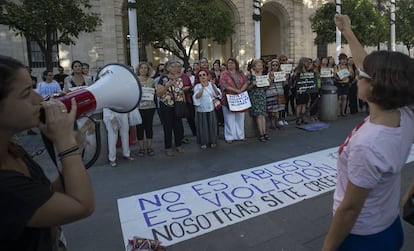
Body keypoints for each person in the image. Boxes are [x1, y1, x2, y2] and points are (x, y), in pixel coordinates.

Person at [322, 14, 414, 251]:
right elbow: (367, 65)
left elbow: (350, 209)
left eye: (362, 75)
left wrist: (328, 247)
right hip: (389, 224)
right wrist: (347, 31)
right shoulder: (405, 113)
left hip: (362, 237)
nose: (358, 74)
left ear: (374, 85)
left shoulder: (369, 144)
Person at [0, 55, 95, 250]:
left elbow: (45, 196)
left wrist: (72, 150)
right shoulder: (4, 186)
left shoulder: (13, 151)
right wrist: (66, 146)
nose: (38, 99)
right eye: (26, 93)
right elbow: (81, 205)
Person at [156, 59, 186, 156]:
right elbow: (158, 93)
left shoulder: (180, 78)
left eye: (177, 66)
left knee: (178, 126)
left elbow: (181, 91)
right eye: (173, 66)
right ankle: (168, 147)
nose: (175, 68)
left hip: (178, 105)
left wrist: (184, 102)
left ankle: (178, 144)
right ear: (168, 68)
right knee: (167, 127)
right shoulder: (163, 78)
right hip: (166, 105)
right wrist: (166, 86)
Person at [219, 58, 248, 143]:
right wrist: (236, 90)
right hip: (229, 98)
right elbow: (224, 84)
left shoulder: (240, 73)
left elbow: (246, 82)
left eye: (232, 63)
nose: (230, 64)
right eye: (229, 63)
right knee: (229, 118)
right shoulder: (224, 73)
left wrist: (241, 90)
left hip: (240, 98)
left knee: (240, 117)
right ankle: (230, 136)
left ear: (236, 64)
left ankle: (240, 135)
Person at [192, 69, 221, 149]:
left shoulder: (211, 85)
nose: (202, 77)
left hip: (210, 107)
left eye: (204, 75)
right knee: (202, 126)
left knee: (212, 125)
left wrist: (213, 86)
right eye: (200, 75)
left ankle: (213, 141)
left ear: (207, 76)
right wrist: (202, 87)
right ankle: (203, 142)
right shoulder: (197, 86)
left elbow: (218, 94)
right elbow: (197, 96)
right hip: (201, 109)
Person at [135, 62, 156, 157]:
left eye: (145, 68)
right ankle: (141, 148)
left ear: (148, 70)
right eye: (141, 68)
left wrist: (153, 92)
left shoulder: (152, 80)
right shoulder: (134, 80)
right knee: (139, 128)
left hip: (150, 107)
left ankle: (149, 147)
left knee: (149, 127)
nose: (143, 70)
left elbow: (155, 92)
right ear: (138, 69)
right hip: (138, 108)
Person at [247, 59, 270, 142]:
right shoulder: (250, 75)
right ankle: (261, 134)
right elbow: (247, 88)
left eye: (261, 65)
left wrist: (268, 82)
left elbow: (265, 87)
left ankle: (265, 132)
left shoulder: (263, 75)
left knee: (263, 115)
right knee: (259, 115)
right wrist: (253, 83)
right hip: (254, 96)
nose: (260, 67)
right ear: (254, 66)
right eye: (259, 65)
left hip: (262, 96)